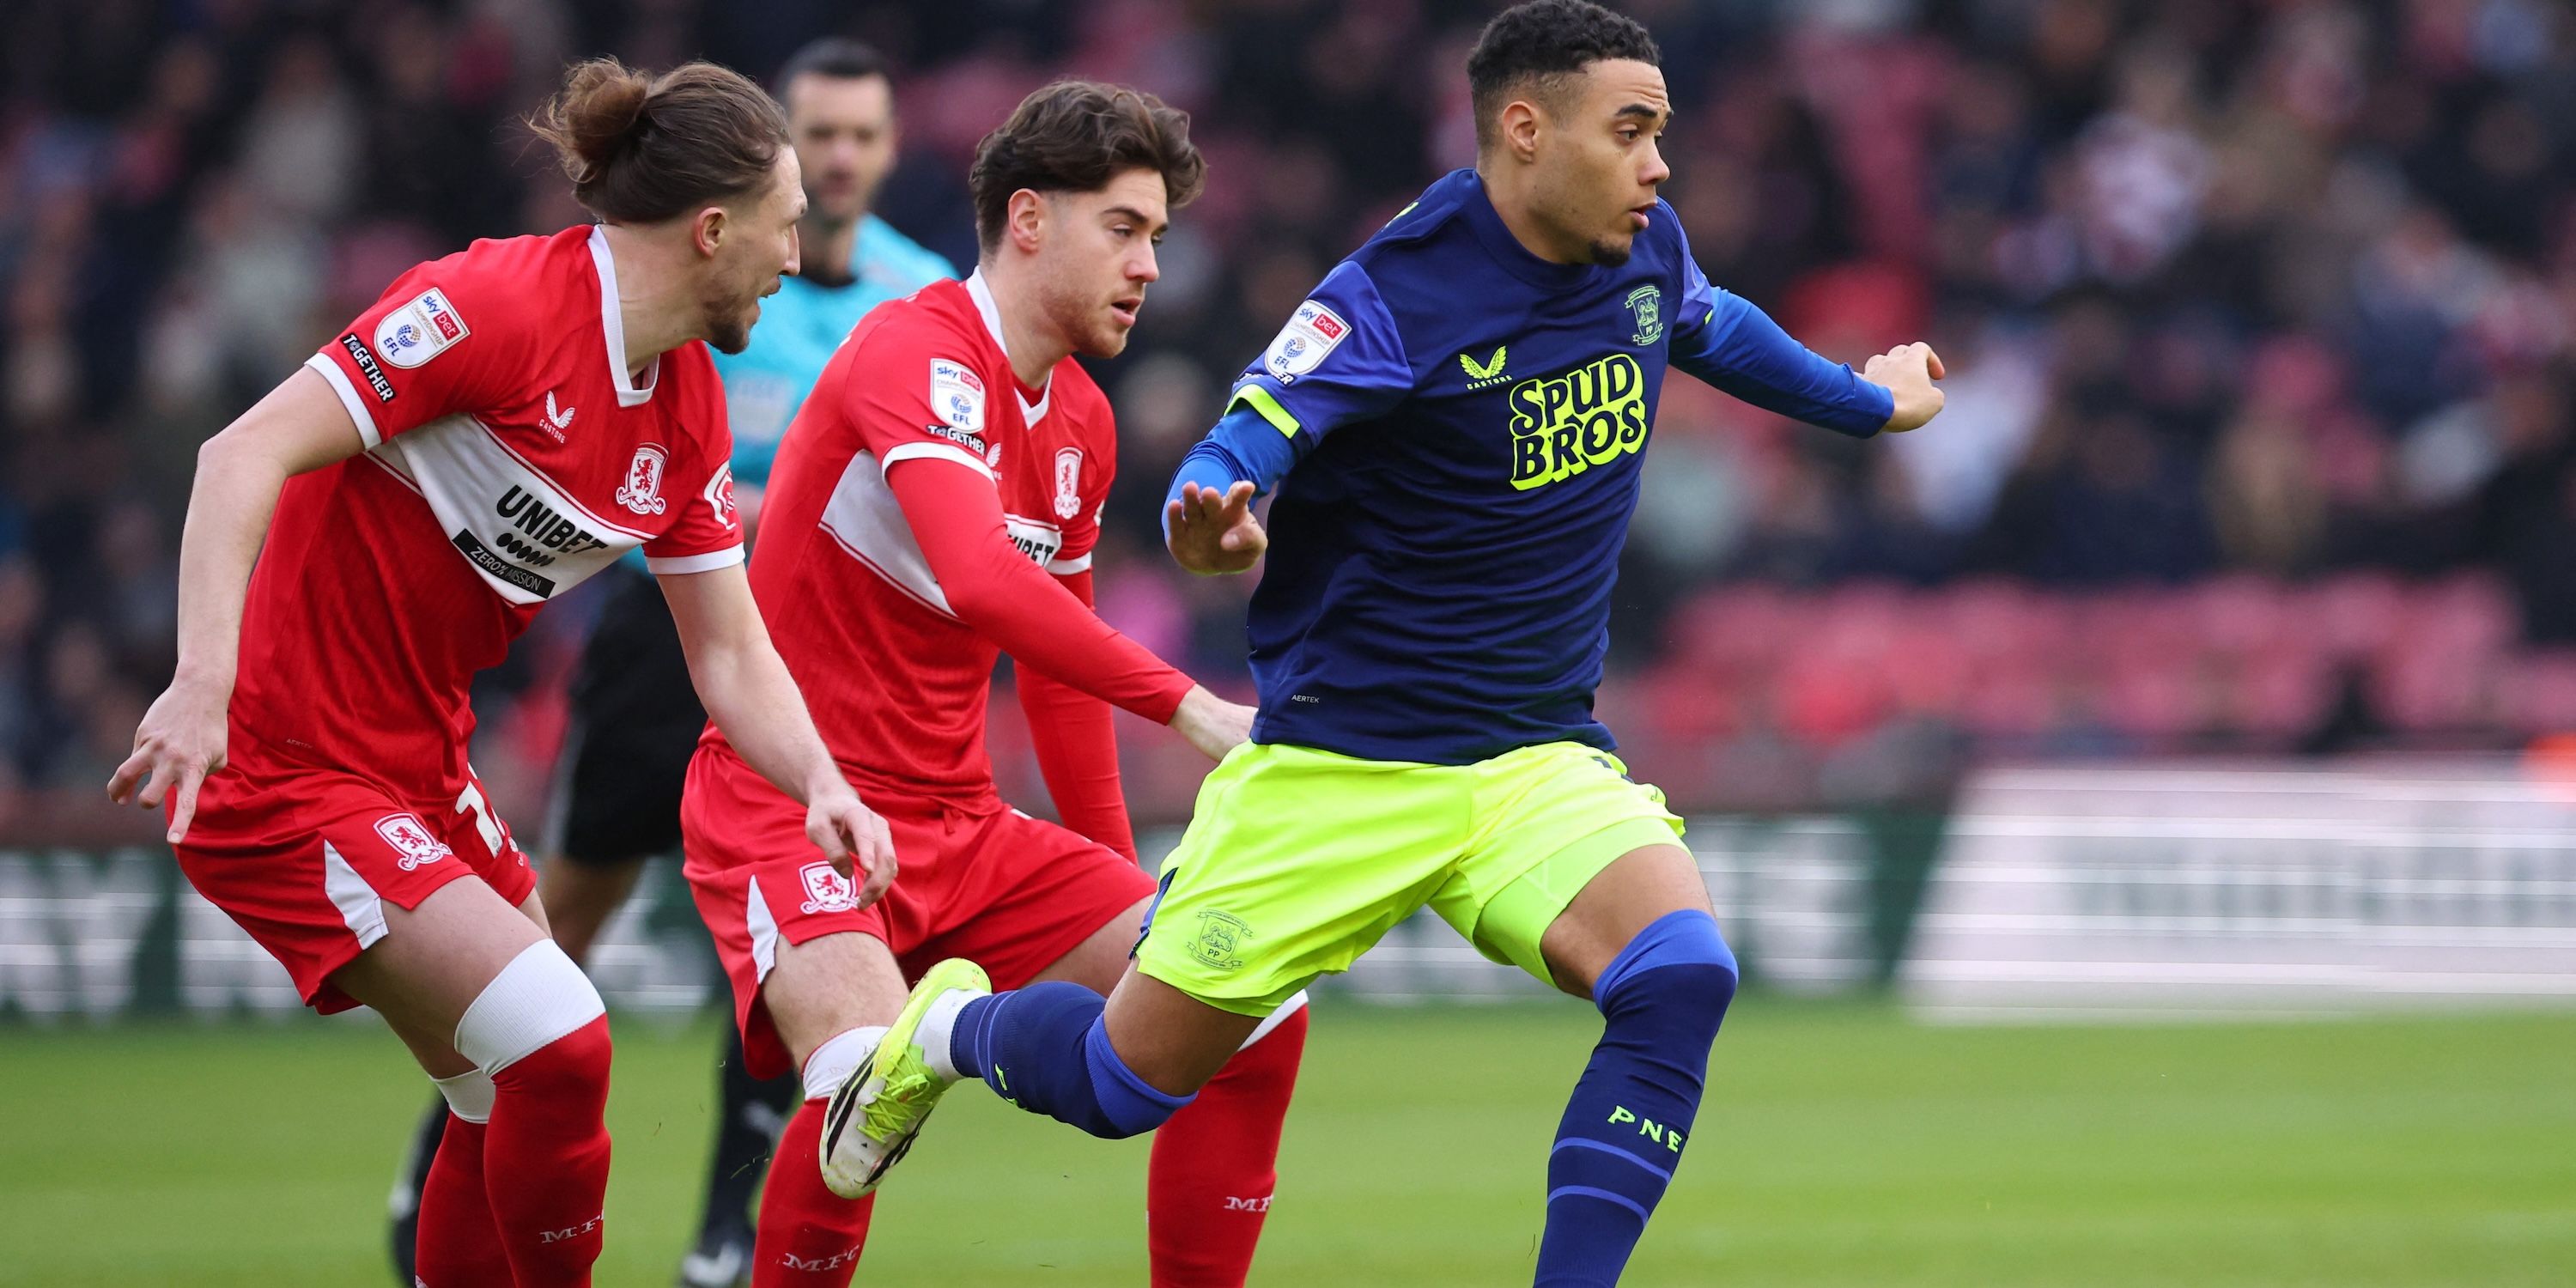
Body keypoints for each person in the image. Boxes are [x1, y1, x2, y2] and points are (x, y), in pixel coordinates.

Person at [845, 3, 1949, 1285]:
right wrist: (1209, 525)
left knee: (1682, 974)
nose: (1660, 166)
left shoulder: (1641, 248)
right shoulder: (1392, 293)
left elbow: (1707, 322)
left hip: (1533, 758)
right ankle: (951, 1034)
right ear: (1524, 132)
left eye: (1663, 134)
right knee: (1120, 1085)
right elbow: (1240, 440)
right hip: (1341, 769)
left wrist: (1869, 405)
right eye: (1633, 132)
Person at [108, 58, 896, 1288]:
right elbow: (237, 454)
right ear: (710, 229)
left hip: (419, 768)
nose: (797, 256)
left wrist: (822, 782)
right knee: (564, 1045)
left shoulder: (685, 405)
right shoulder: (490, 307)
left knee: (499, 1094)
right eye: (785, 225)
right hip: (283, 761)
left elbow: (731, 651)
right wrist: (201, 679)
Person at [677, 80, 1307, 1288]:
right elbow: (978, 579)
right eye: (1124, 229)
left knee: (1253, 1007)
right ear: (1029, 220)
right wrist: (1185, 701)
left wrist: (1122, 887)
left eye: (1159, 238)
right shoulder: (911, 350)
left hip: (961, 830)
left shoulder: (1078, 419)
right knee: (864, 1092)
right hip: (796, 806)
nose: (1150, 267)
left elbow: (1055, 671)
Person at [381, 39, 956, 1288]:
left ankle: (720, 1233)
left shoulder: (922, 304)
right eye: (822, 136)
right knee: (560, 931)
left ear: (892, 148)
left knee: (775, 956)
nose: (843, 161)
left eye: (863, 136)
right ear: (737, 198)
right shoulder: (670, 311)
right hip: (660, 639)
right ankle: (454, 1141)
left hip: (806, 652)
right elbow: (270, 445)